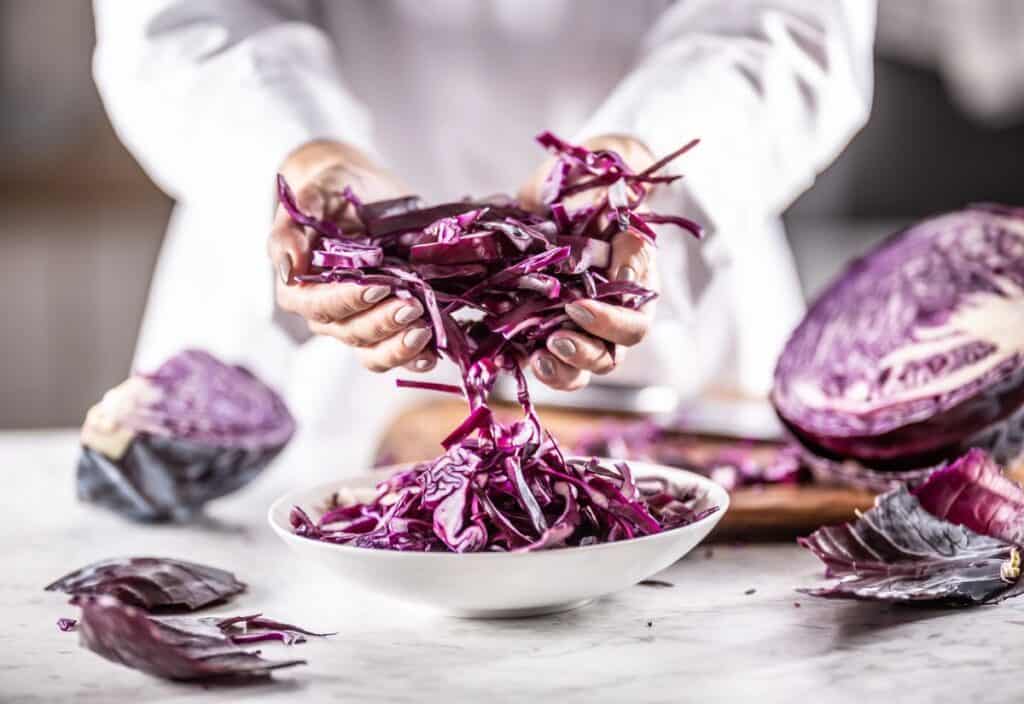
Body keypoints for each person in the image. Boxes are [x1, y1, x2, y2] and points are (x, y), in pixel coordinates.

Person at [93, 0, 875, 467]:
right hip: (294, 332)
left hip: (677, 301)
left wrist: (643, 157)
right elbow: (177, 17)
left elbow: (790, 18)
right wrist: (300, 150)